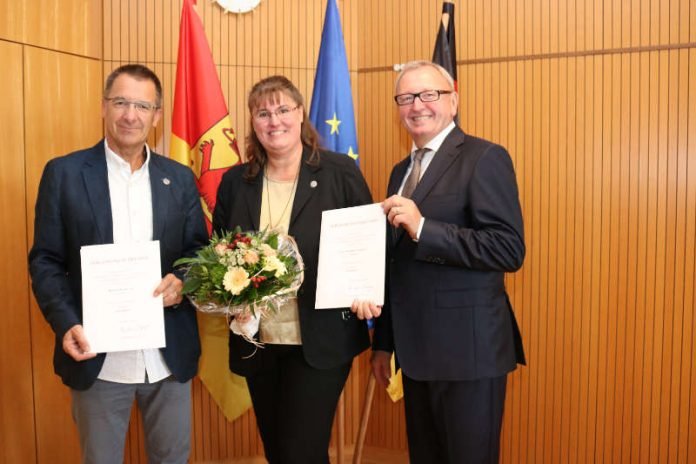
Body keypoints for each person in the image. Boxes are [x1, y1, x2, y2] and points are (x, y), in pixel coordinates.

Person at [28, 64, 207, 464]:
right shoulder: (65, 173)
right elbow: (46, 261)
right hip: (98, 357)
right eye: (121, 102)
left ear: (157, 115)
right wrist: (66, 322)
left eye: (142, 105)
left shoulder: (178, 178)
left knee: (172, 459)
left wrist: (182, 280)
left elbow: (198, 250)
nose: (131, 114)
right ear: (104, 107)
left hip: (167, 356)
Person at [352, 60, 526, 463]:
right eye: (406, 97)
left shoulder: (484, 158)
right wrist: (385, 344)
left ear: (454, 101)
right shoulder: (401, 171)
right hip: (415, 356)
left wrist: (424, 227)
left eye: (429, 94)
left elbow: (507, 249)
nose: (417, 105)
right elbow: (401, 267)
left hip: (469, 353)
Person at [213, 75, 372, 464]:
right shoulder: (236, 181)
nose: (274, 121)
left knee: (303, 450)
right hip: (258, 340)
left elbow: (368, 242)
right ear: (252, 122)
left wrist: (367, 289)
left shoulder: (339, 172)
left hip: (319, 339)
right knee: (278, 449)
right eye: (263, 113)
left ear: (300, 114)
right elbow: (218, 251)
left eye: (283, 109)